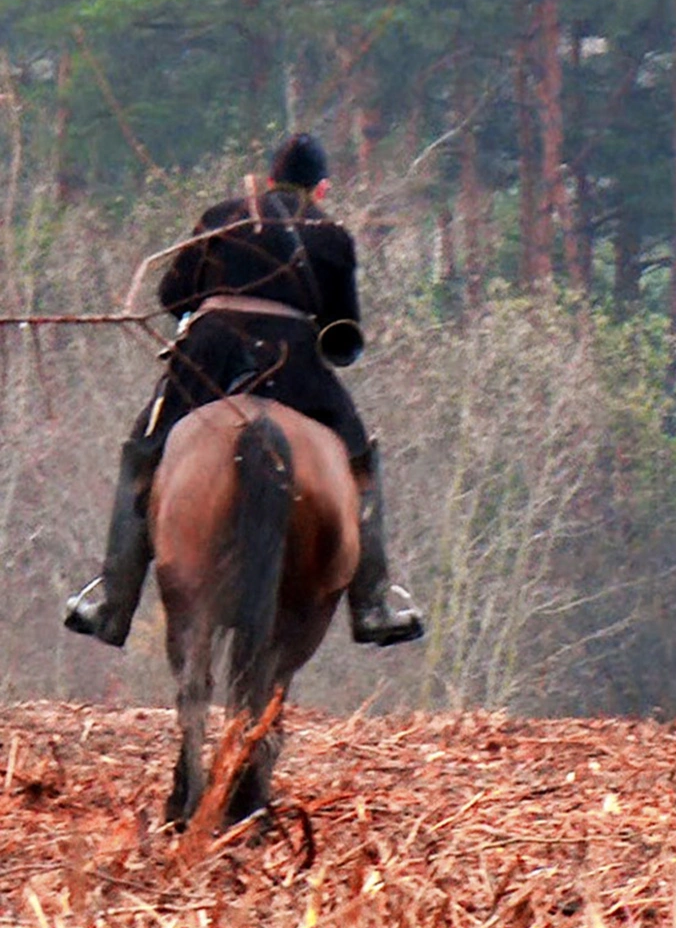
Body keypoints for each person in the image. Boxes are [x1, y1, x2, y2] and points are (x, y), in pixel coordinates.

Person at [63, 133, 425, 649]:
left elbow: (171, 296)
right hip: (294, 361)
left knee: (143, 450)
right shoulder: (332, 235)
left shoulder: (222, 216)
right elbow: (343, 335)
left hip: (210, 353)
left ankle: (112, 600)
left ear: (271, 177)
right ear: (320, 189)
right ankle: (371, 604)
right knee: (360, 461)